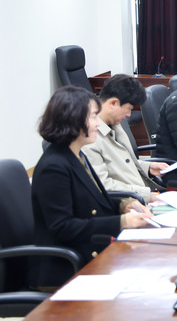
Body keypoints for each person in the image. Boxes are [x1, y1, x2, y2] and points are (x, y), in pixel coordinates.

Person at [31, 86, 152, 287]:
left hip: (88, 252)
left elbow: (90, 201)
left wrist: (124, 205)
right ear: (72, 119)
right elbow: (64, 228)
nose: (98, 123)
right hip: (66, 268)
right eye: (93, 117)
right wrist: (121, 222)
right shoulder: (53, 167)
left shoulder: (77, 154)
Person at [81, 75, 169, 203]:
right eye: (128, 109)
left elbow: (121, 162)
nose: (129, 115)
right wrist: (147, 196)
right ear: (113, 103)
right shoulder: (90, 138)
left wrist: (148, 167)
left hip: (141, 196)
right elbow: (104, 186)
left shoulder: (114, 124)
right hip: (127, 204)